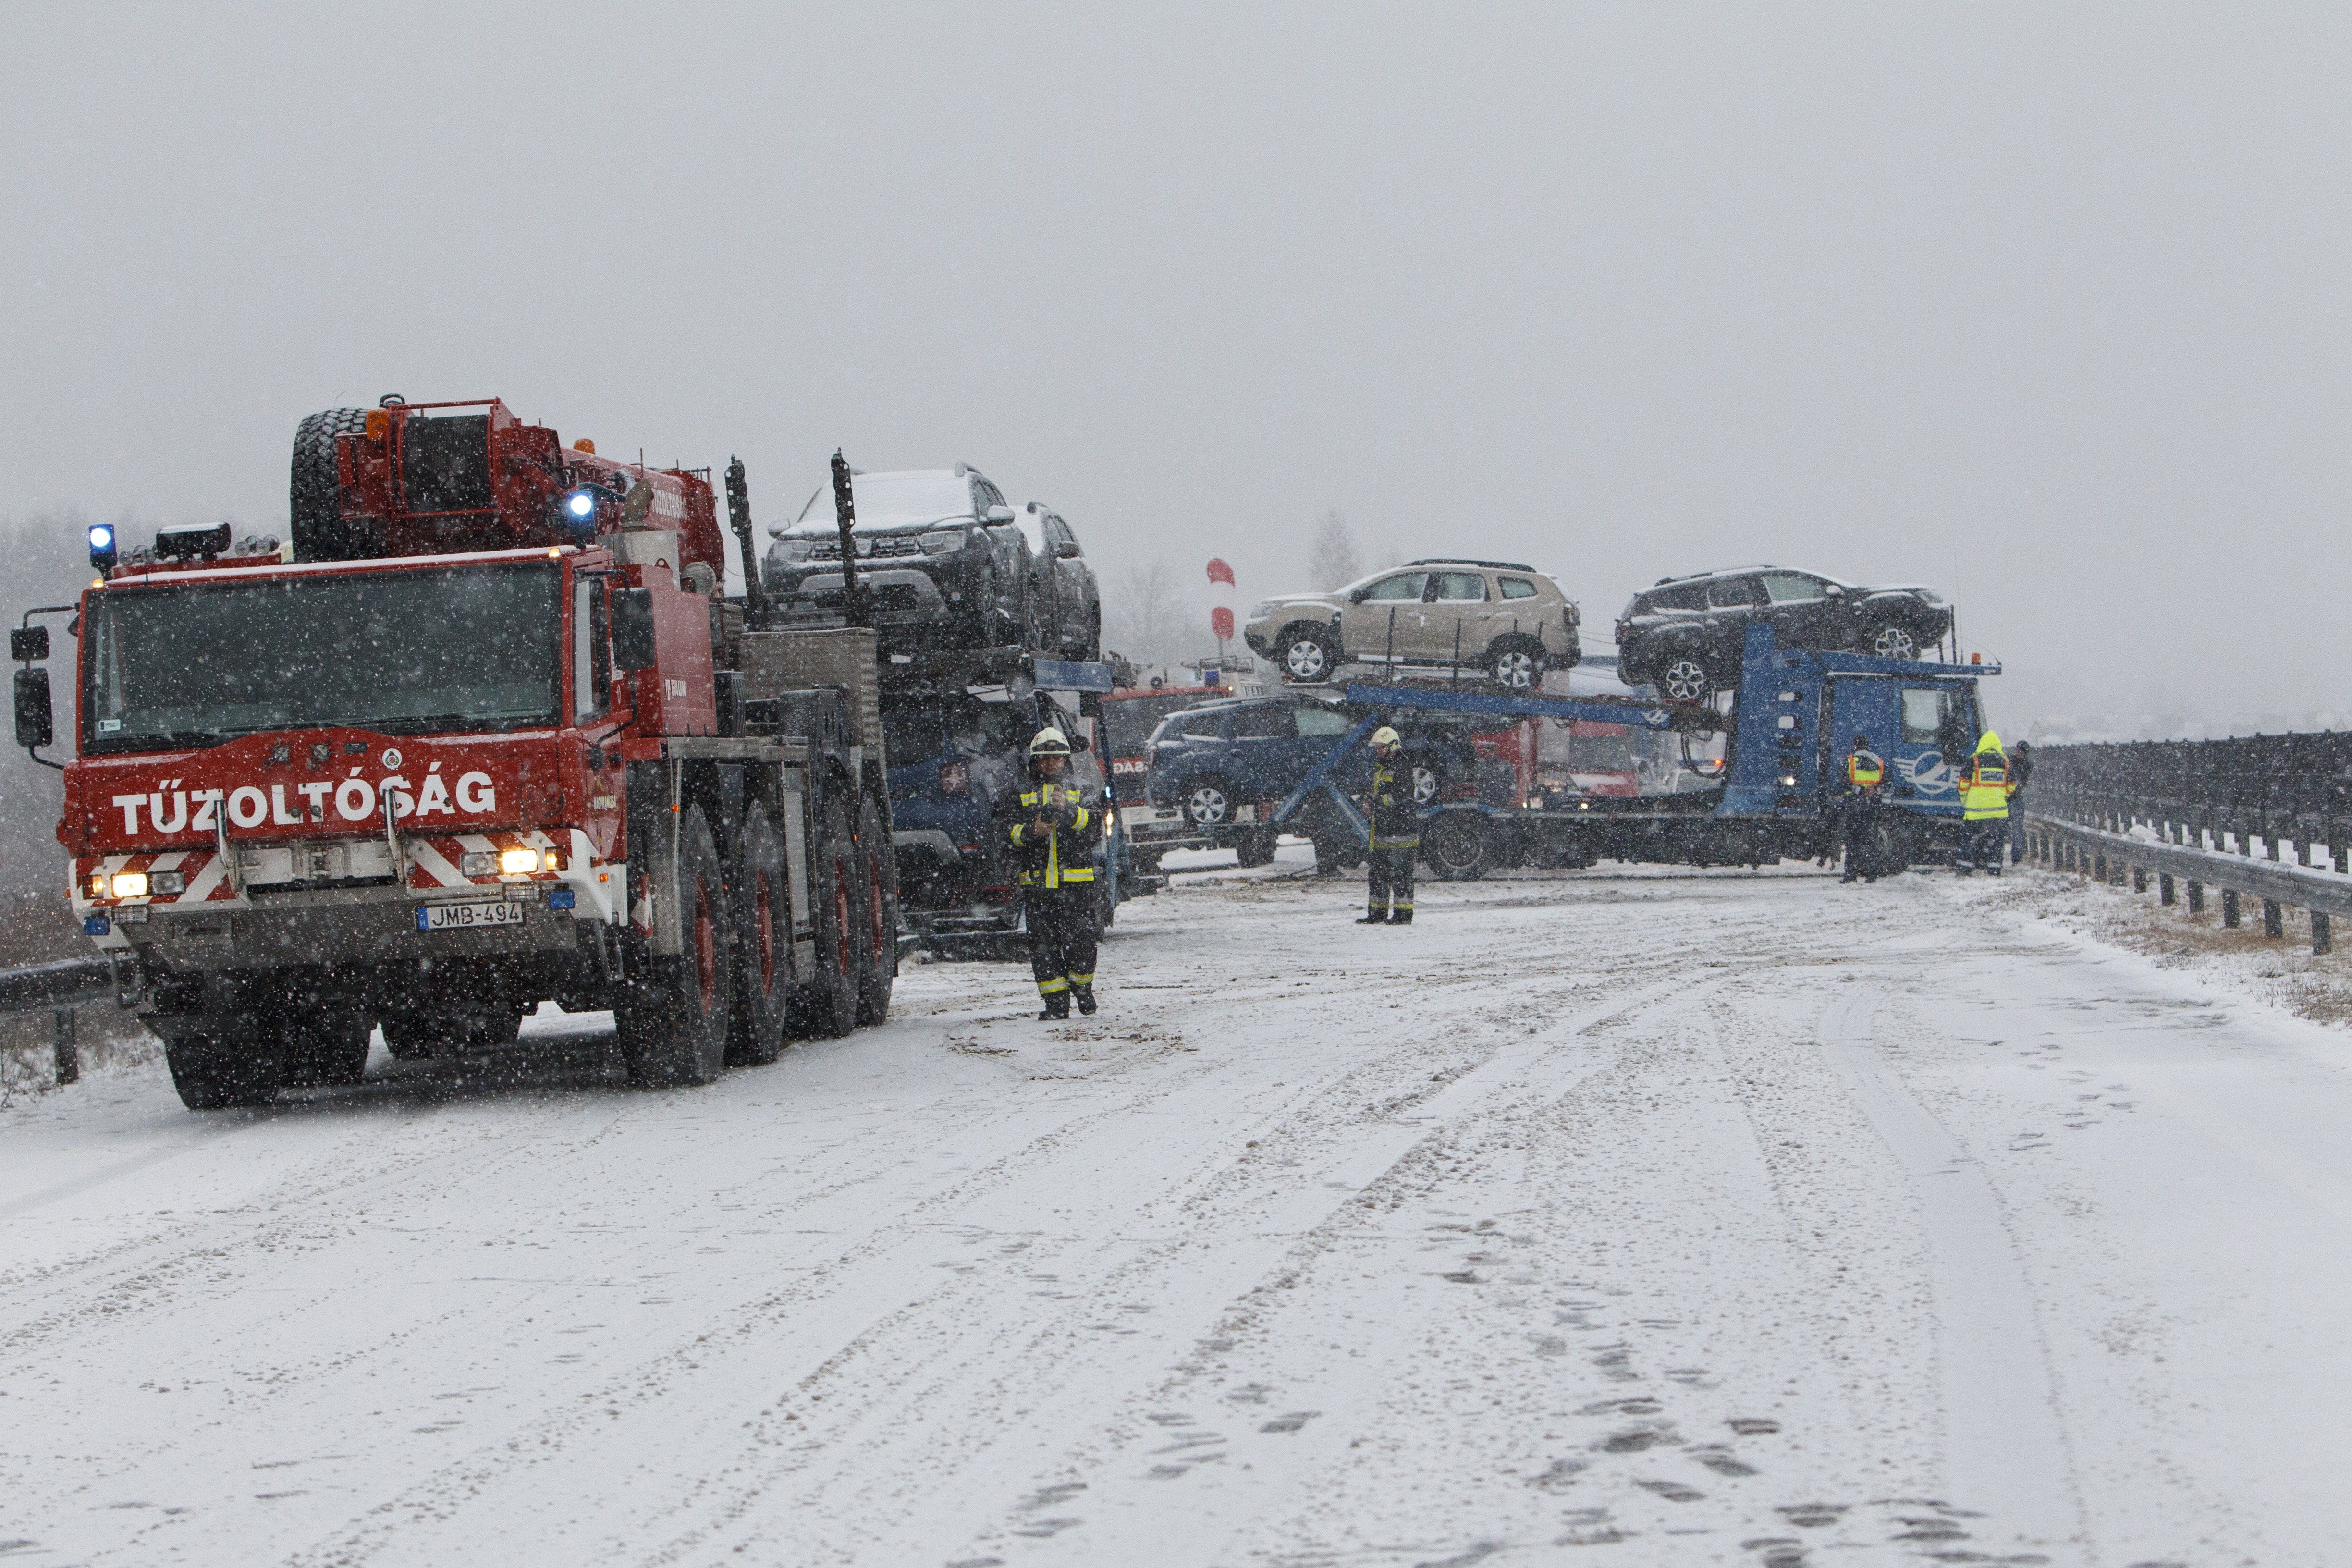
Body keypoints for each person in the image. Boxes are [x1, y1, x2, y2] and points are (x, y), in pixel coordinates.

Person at [999, 727, 1103, 1018]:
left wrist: (1070, 812)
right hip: (1038, 887)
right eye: (1044, 758)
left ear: (1065, 759)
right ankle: (1056, 1004)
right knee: (1043, 948)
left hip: (1077, 884)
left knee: (1082, 943)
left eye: (1056, 758)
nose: (1050, 764)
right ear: (1035, 760)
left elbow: (1095, 828)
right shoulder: (1019, 793)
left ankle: (1083, 990)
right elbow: (1006, 834)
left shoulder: (1081, 788)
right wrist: (1032, 832)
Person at [1359, 726, 1418, 925]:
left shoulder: (1402, 767)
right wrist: (1368, 801)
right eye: (1377, 748)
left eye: (1382, 748)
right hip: (1383, 831)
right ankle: (1377, 912)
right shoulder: (1380, 767)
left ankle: (1403, 915)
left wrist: (1377, 802)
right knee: (1378, 874)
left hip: (1401, 832)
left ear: (1393, 746)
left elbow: (1400, 797)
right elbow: (1377, 792)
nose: (1379, 751)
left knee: (1401, 875)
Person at [1954, 730, 2017, 875]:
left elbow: (1963, 784)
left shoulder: (1974, 760)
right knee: (1996, 841)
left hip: (1975, 811)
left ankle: (1965, 868)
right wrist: (2002, 795)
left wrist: (1965, 799)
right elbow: (2012, 785)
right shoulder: (2006, 762)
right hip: (1998, 811)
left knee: (1969, 839)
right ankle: (1994, 868)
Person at [1840, 732, 1886, 883]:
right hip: (1872, 807)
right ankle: (1872, 875)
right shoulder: (1879, 761)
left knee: (1853, 842)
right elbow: (1887, 782)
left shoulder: (1851, 761)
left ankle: (1851, 875)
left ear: (1855, 745)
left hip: (1855, 808)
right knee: (1871, 842)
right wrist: (1874, 790)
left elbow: (1841, 783)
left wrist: (1856, 790)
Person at [2007, 739, 2034, 866]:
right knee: (2015, 829)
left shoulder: (2021, 764)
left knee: (2017, 830)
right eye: (2018, 750)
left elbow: (2020, 781)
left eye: (2021, 751)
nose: (2019, 753)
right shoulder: (2010, 761)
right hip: (2010, 799)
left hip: (2014, 799)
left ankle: (2016, 858)